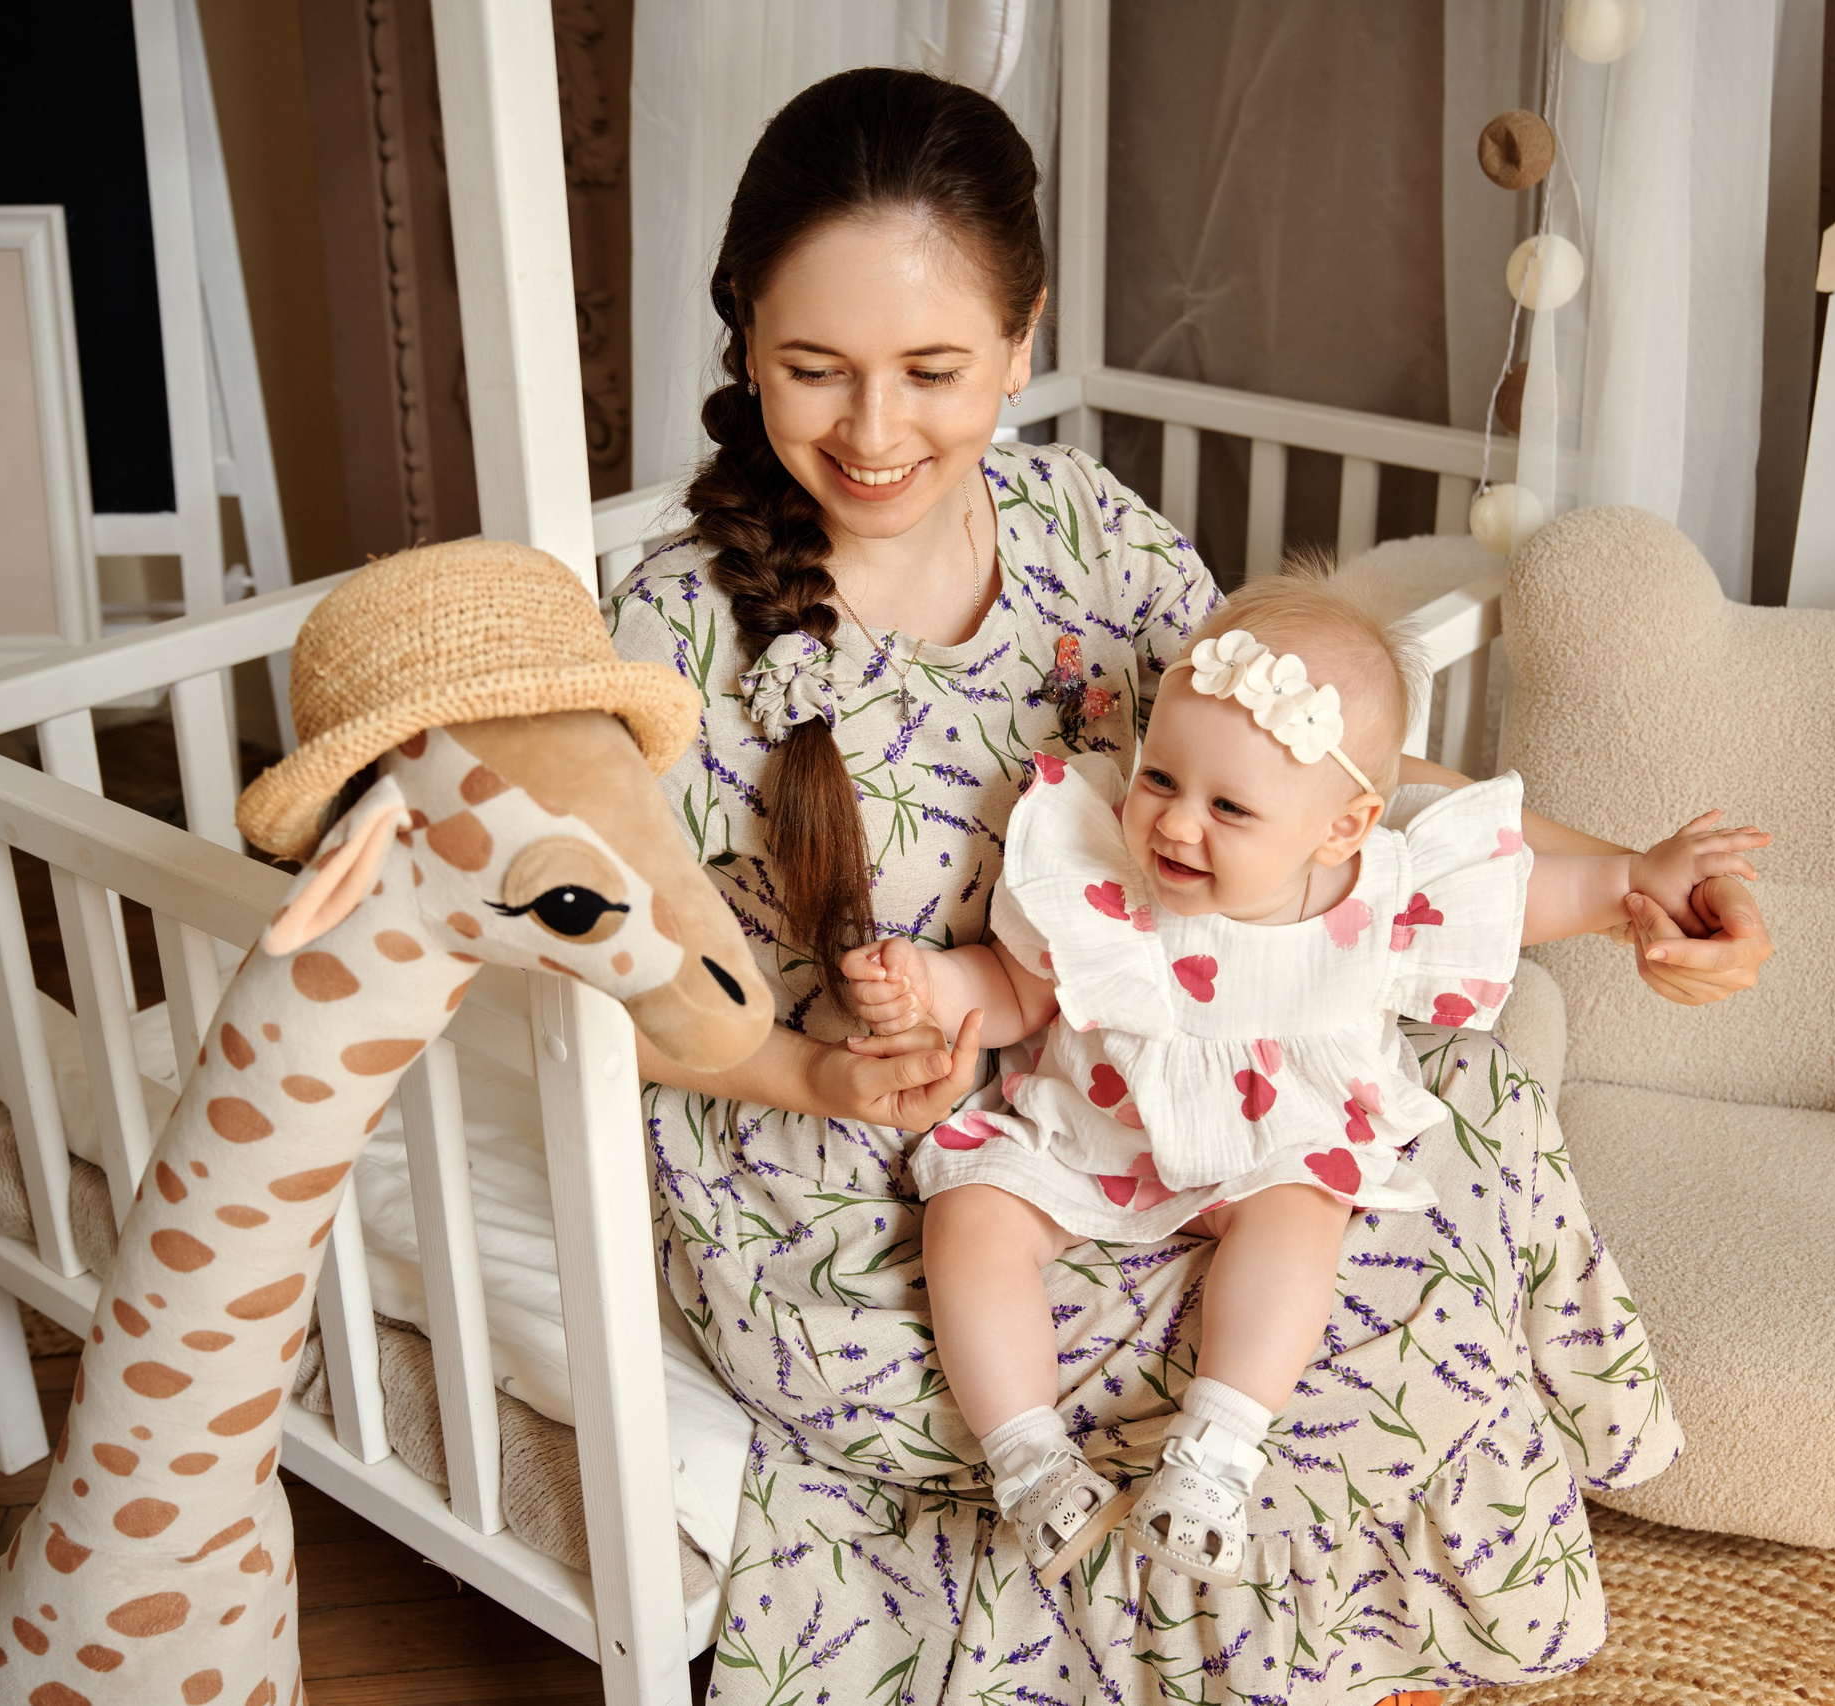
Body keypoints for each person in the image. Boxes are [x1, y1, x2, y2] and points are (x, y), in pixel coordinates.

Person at [608, 62, 1773, 1694]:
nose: (875, 433)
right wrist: (823, 1070)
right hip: (866, 1157)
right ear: (745, 344)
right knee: (1279, 1320)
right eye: (816, 369)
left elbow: (1301, 771)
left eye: (936, 370)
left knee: (1430, 1148)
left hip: (1146, 1068)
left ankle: (1368, 1627)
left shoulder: (1082, 526)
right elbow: (606, 976)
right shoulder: (669, 632)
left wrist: (1622, 881)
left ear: (1022, 344)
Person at [836, 567, 1765, 1583]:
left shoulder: (1373, 902)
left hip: (1268, 1145)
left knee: (1302, 1214)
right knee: (967, 1210)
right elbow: (1017, 991)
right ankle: (1029, 1461)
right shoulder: (1099, 871)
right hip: (1094, 1137)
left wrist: (1640, 876)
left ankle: (1215, 1455)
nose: (1175, 824)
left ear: (1340, 828)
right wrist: (925, 980)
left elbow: (1536, 891)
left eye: (1229, 806)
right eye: (1159, 778)